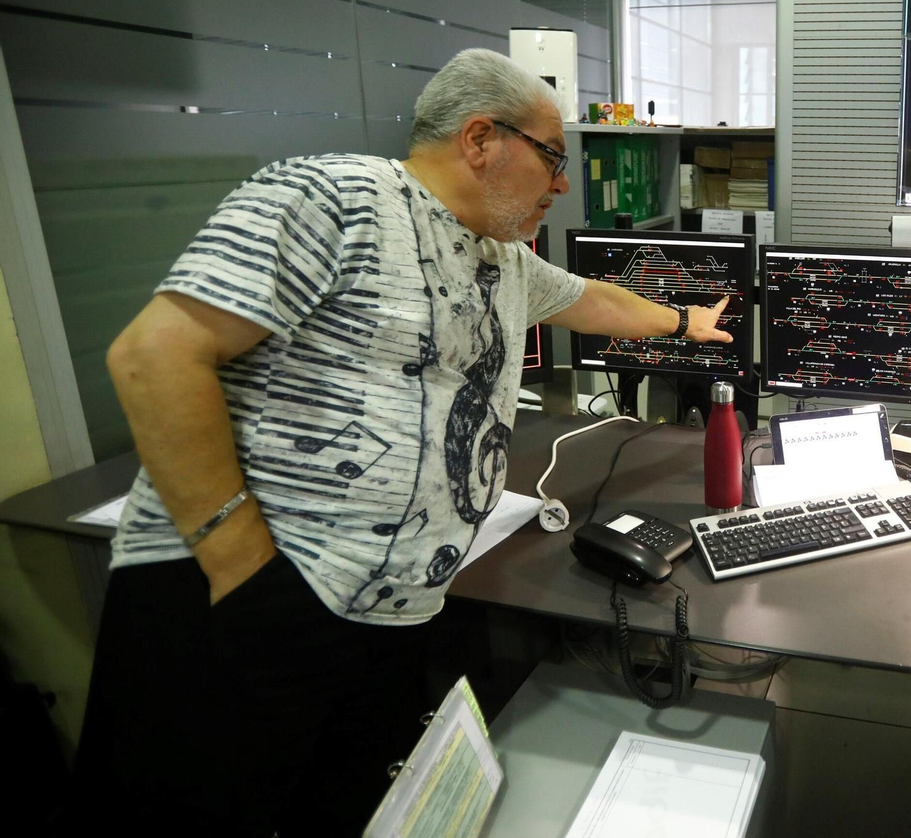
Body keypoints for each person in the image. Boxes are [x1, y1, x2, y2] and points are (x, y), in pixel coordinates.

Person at [68, 48, 732, 835]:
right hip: (250, 595)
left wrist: (686, 324)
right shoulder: (331, 195)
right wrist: (242, 564)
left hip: (388, 617)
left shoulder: (505, 259)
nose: (562, 183)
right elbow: (155, 356)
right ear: (481, 138)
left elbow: (597, 304)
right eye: (553, 157)